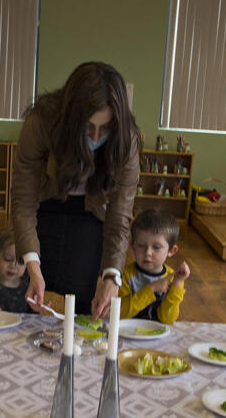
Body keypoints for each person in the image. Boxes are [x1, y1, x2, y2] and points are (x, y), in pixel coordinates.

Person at [12, 62, 141, 318]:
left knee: (82, 299)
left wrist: (112, 276)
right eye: (87, 127)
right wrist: (33, 265)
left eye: (104, 129)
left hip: (91, 213)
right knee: (29, 297)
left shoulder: (127, 140)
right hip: (46, 205)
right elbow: (23, 202)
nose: (95, 138)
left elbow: (119, 216)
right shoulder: (41, 122)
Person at [119, 208, 190, 323]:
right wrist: (151, 289)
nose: (148, 253)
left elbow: (167, 319)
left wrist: (177, 283)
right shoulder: (125, 275)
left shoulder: (172, 278)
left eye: (156, 247)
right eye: (141, 245)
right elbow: (120, 314)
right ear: (132, 245)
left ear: (171, 250)